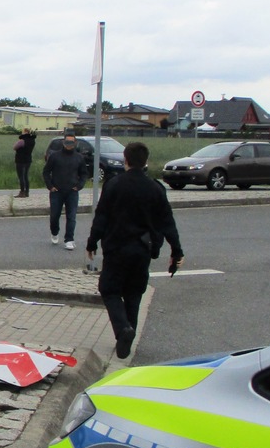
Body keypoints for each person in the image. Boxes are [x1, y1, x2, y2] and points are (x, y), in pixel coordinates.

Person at [85, 141, 184, 359]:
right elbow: (167, 221)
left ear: (125, 159)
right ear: (146, 161)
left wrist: (92, 242)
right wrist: (176, 251)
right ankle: (126, 339)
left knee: (109, 289)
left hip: (116, 248)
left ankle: (123, 330)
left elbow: (101, 217)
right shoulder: (156, 188)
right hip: (143, 249)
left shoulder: (113, 184)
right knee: (134, 293)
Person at [42, 134, 88, 250]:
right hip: (56, 191)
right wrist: (50, 186)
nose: (69, 144)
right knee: (54, 216)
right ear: (63, 142)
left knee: (71, 216)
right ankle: (54, 232)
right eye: (67, 142)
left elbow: (84, 174)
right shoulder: (54, 156)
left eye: (71, 142)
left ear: (75, 143)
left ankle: (69, 239)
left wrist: (79, 186)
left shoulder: (79, 158)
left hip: (72, 192)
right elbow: (46, 172)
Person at [13, 128, 37, 198]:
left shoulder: (22, 141)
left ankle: (22, 192)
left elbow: (14, 147)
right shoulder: (32, 141)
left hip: (20, 160)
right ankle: (27, 192)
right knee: (26, 176)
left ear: (25, 132)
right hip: (28, 160)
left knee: (21, 176)